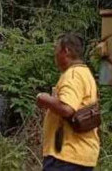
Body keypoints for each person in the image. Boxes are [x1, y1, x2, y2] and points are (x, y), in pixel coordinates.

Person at [36, 33, 100, 171]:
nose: (55, 56)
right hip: (82, 154)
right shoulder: (85, 73)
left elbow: (67, 108)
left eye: (56, 51)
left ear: (66, 51)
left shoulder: (72, 75)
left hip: (66, 155)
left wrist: (44, 98)